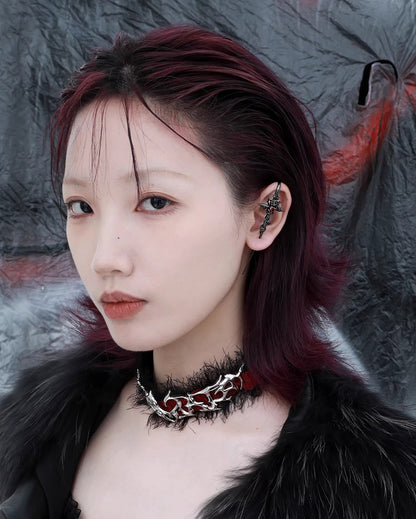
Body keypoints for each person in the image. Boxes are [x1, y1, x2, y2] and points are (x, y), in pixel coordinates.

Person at [0, 25, 415, 519]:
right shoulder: (31, 426)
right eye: (81, 206)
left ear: (265, 216)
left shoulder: (374, 487)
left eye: (156, 202)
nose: (104, 258)